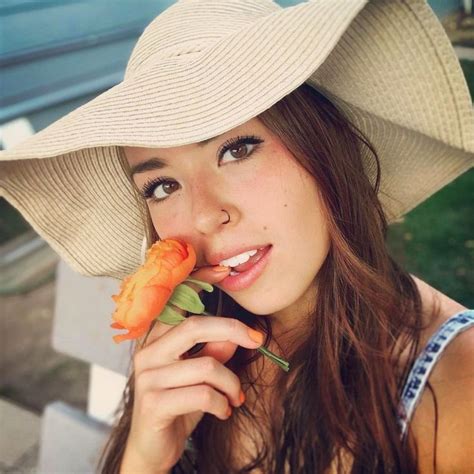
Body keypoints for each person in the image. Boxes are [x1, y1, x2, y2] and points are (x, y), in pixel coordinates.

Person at [0, 0, 473, 473]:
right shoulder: (190, 350)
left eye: (237, 149)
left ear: (329, 145)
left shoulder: (456, 396)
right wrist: (145, 456)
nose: (204, 216)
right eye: (163, 186)